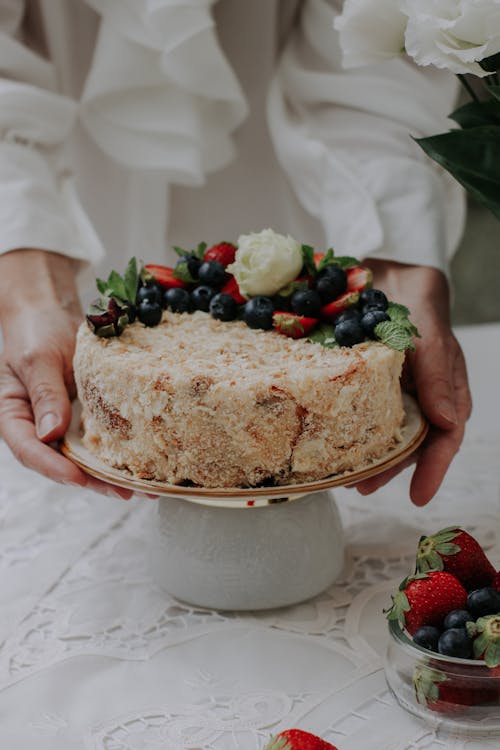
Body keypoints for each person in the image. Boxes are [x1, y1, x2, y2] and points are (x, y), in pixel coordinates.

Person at [0, 0, 471, 505]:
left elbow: (374, 49)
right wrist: (29, 293)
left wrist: (399, 268)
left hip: (291, 195)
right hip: (76, 182)